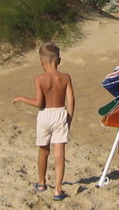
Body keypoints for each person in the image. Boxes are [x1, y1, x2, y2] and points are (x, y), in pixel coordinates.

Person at [11, 44, 75, 199]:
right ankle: (58, 190)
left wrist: (22, 98)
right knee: (59, 154)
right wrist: (69, 118)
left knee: (43, 151)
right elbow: (71, 100)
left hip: (44, 115)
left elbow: (39, 103)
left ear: (41, 62)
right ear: (59, 60)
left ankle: (41, 182)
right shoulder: (65, 77)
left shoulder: (39, 79)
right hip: (60, 113)